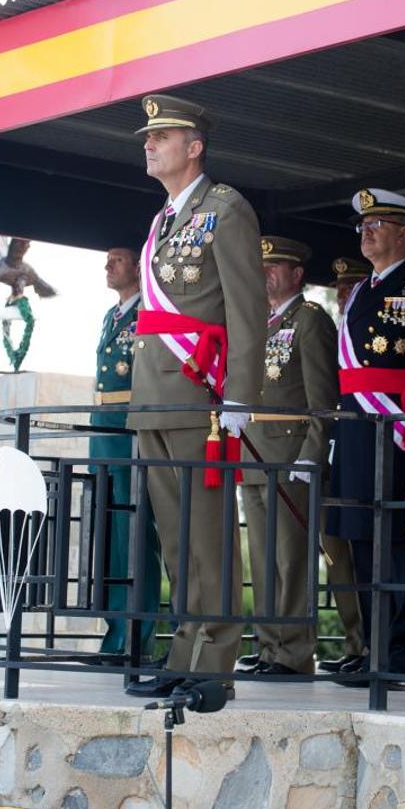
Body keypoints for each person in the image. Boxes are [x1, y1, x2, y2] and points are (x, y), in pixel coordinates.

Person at [125, 94, 266, 699]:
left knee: (208, 535)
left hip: (199, 397)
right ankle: (184, 652)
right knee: (177, 539)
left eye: (162, 136)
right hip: (154, 394)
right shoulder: (162, 220)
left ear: (195, 146)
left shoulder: (226, 209)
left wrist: (240, 396)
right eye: (147, 138)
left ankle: (216, 663)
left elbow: (247, 309)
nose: (149, 145)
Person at [327, 188, 405, 687]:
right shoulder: (359, 292)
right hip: (358, 429)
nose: (367, 232)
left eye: (379, 224)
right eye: (363, 226)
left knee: (399, 543)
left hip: (403, 429)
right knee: (360, 542)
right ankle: (376, 652)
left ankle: (403, 660)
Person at [239, 236, 338, 675]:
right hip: (256, 454)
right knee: (261, 558)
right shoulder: (259, 321)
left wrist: (310, 454)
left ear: (297, 275)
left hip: (290, 455)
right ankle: (268, 646)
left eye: (274, 267)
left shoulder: (310, 320)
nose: (265, 275)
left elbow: (323, 397)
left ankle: (295, 652)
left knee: (290, 558)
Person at [89, 247, 160, 658]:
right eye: (107, 260)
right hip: (105, 433)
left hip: (131, 432)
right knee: (110, 539)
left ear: (137, 266)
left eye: (117, 260)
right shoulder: (111, 316)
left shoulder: (147, 313)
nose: (108, 266)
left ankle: (136, 634)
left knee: (134, 538)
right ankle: (114, 630)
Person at [318, 257, 368, 674]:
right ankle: (355, 643)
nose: (343, 297)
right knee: (336, 552)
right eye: (340, 290)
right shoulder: (336, 335)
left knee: (367, 549)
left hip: (361, 445)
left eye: (352, 288)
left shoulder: (365, 334)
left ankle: (374, 645)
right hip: (334, 447)